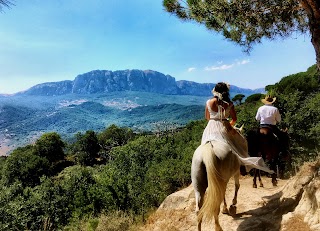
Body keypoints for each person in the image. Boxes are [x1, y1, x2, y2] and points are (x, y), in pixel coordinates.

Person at [201, 82, 274, 174]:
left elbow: (207, 117)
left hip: (210, 127)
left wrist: (214, 121)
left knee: (203, 144)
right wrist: (228, 125)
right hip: (224, 126)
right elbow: (234, 119)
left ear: (215, 91)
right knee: (241, 142)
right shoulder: (229, 104)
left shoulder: (208, 102)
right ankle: (242, 166)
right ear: (226, 92)